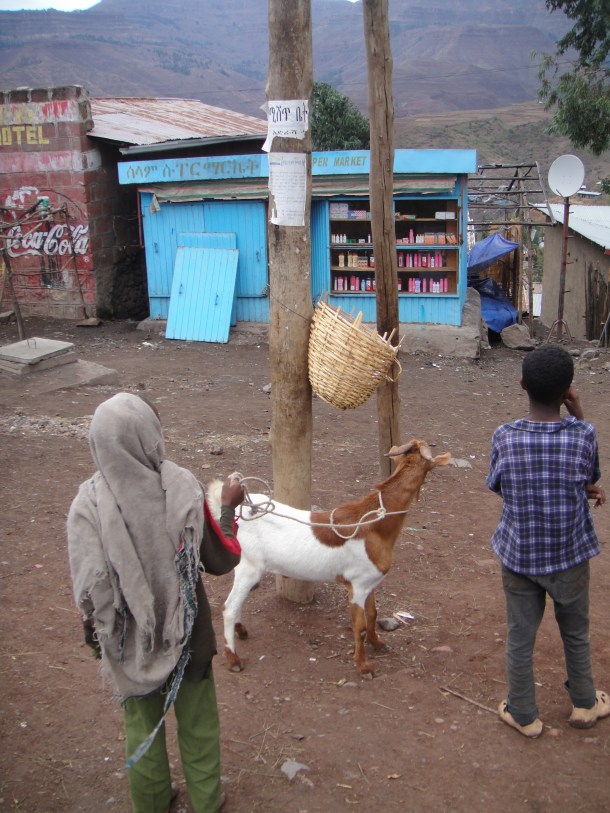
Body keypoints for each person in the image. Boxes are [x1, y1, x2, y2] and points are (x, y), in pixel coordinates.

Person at [67, 392, 244, 812]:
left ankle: (152, 801)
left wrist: (101, 644)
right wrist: (226, 511)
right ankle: (205, 801)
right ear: (150, 437)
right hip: (190, 639)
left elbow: (90, 592)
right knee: (199, 725)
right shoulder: (180, 486)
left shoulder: (86, 506)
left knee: (140, 725)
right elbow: (223, 559)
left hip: (129, 642)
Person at [487, 344, 608, 738]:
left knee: (520, 635)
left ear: (522, 384)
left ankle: (523, 713)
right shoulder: (583, 434)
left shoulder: (505, 436)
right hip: (570, 555)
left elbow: (499, 486)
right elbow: (590, 474)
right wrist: (577, 411)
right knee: (575, 631)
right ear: (567, 390)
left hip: (520, 555)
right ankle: (586, 703)